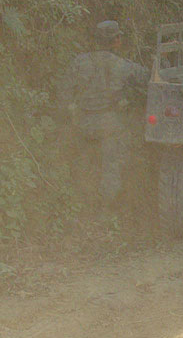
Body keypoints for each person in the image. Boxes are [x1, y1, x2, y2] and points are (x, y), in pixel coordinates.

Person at [57, 20, 149, 205]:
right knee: (112, 165)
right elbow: (148, 79)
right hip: (110, 125)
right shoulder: (123, 66)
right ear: (116, 40)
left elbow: (63, 92)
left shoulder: (79, 62)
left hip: (82, 124)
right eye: (119, 37)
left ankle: (78, 203)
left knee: (81, 164)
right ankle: (106, 210)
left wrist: (69, 115)